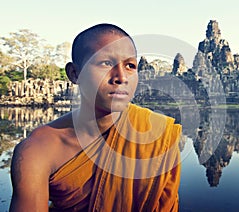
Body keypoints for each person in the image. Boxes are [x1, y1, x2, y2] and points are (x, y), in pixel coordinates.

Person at [9, 23, 182, 211]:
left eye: (130, 66)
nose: (121, 77)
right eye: (106, 63)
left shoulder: (157, 135)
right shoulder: (38, 150)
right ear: (75, 74)